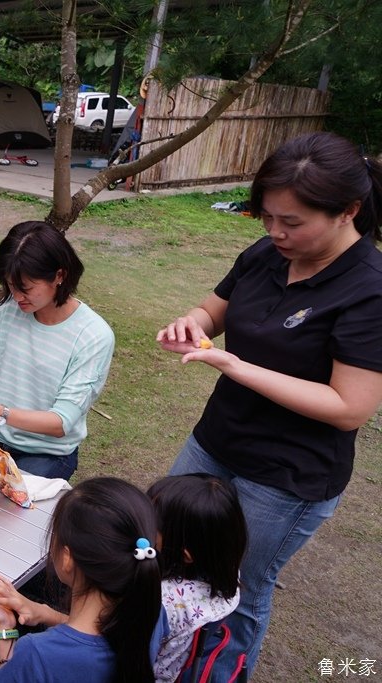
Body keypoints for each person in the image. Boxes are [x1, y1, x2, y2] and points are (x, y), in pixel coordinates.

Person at [155, 131, 382, 679]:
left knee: (237, 591)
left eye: (293, 223)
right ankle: (160, 657)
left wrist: (237, 367)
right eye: (267, 217)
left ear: (348, 211)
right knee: (165, 549)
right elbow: (213, 311)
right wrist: (194, 323)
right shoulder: (265, 254)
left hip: (287, 474)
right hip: (216, 441)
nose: (275, 232)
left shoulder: (369, 290)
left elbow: (349, 407)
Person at [0, 221, 114, 480]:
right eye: (11, 286)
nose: (17, 296)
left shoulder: (93, 336)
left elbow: (60, 423)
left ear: (59, 276)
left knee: (8, 513)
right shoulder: (15, 308)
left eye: (26, 288)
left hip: (46, 453)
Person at [0, 477, 165, 682]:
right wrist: (47, 613)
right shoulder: (150, 610)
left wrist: (5, 629)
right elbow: (99, 639)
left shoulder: (37, 654)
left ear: (67, 558)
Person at [148, 474, 246, 682]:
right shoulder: (228, 576)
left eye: (150, 526)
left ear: (184, 556)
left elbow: (134, 658)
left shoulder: (161, 602)